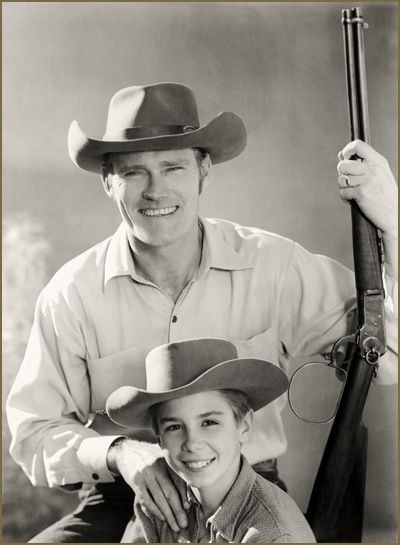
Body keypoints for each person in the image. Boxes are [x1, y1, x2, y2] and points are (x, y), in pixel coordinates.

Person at [6, 82, 397, 543]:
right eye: (134, 172)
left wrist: (392, 224)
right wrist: (120, 453)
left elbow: (386, 356)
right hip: (121, 499)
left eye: (174, 166)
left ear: (203, 170)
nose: (157, 190)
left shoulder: (275, 265)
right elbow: (33, 433)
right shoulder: (70, 294)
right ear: (108, 181)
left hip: (245, 495)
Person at [106, 337, 316, 543]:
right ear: (159, 437)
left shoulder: (274, 535)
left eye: (209, 423)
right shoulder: (160, 498)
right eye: (174, 427)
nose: (192, 442)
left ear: (243, 425)